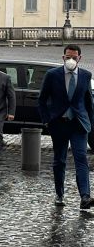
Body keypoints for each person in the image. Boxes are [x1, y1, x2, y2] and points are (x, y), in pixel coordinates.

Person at [38, 44, 94, 210]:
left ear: (79, 58)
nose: (71, 60)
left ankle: (85, 197)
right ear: (63, 58)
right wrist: (47, 120)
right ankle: (59, 193)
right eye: (68, 57)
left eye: (74, 57)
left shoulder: (85, 75)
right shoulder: (52, 75)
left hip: (79, 124)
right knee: (59, 161)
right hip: (59, 124)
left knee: (81, 159)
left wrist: (89, 122)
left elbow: (88, 102)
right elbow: (42, 100)